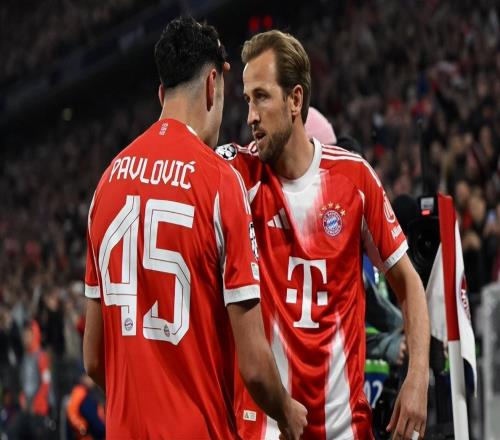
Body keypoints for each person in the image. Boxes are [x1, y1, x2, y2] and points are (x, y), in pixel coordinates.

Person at [83, 17, 307, 439]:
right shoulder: (219, 182)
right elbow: (255, 367)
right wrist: (285, 411)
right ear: (211, 85)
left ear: (161, 94)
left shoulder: (106, 185)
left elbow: (94, 359)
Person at [217, 30, 430, 440]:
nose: (250, 117)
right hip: (265, 429)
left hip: (344, 427)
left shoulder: (353, 178)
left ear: (295, 100)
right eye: (247, 100)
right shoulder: (236, 177)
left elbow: (408, 283)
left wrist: (417, 378)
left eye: (261, 97)